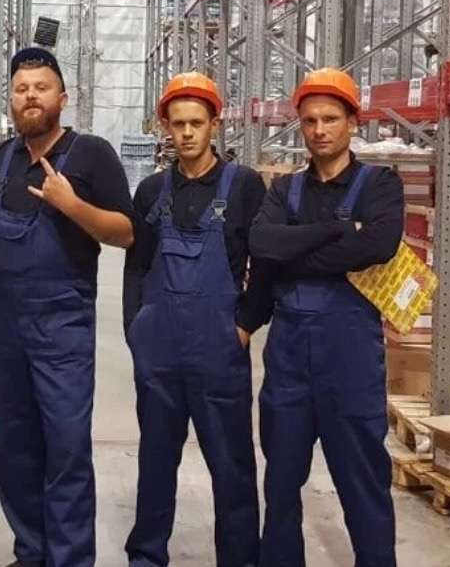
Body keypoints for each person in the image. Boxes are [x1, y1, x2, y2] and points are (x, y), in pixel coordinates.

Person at [0, 47, 134, 567]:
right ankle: (31, 551)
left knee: (66, 448)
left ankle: (69, 558)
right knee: (14, 447)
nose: (30, 97)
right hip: (8, 327)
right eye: (21, 89)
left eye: (41, 87)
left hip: (63, 326)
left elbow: (126, 233)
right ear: (11, 99)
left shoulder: (91, 154)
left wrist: (71, 204)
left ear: (63, 97)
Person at [249, 68, 403, 567]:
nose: (320, 130)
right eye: (310, 120)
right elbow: (262, 243)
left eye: (331, 119)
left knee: (363, 483)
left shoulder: (380, 184)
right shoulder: (284, 189)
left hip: (350, 363)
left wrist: (294, 252)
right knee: (280, 482)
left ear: (353, 122)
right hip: (289, 364)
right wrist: (338, 233)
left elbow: (379, 244)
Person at [122, 73, 270, 567]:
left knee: (232, 467)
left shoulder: (244, 186)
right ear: (166, 126)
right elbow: (137, 266)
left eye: (196, 123)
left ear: (214, 125)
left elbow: (265, 264)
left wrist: (245, 324)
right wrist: (136, 327)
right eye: (178, 123)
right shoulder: (151, 191)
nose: (186, 133)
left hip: (219, 351)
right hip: (159, 352)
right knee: (155, 462)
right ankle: (146, 556)